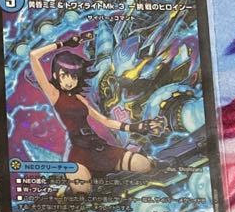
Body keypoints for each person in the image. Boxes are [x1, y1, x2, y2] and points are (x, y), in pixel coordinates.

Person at [29, 36, 163, 195]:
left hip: (99, 147)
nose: (69, 81)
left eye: (73, 76)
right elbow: (33, 56)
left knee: (145, 165)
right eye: (64, 75)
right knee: (82, 193)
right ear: (56, 75)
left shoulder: (79, 98)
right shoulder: (54, 94)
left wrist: (135, 127)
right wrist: (63, 44)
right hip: (79, 154)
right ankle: (63, 190)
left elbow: (105, 121)